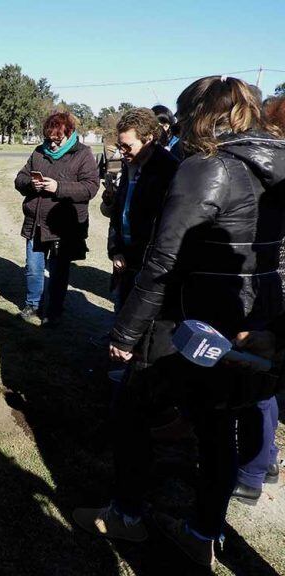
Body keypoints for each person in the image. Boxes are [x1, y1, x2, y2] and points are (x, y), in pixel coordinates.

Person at [73, 76, 285, 568]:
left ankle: (127, 513)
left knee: (130, 410)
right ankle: (203, 531)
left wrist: (125, 334)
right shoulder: (277, 165)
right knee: (218, 428)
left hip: (193, 323)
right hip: (254, 322)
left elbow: (162, 262)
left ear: (200, 115)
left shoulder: (206, 168)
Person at [231, 94, 285, 505]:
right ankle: (265, 459)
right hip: (268, 286)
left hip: (270, 290)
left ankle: (252, 470)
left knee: (257, 382)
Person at [14, 111, 99, 327]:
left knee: (59, 270)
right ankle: (32, 304)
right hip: (36, 222)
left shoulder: (83, 154)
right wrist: (29, 184)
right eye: (49, 139)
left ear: (69, 133)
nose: (52, 144)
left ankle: (54, 309)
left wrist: (58, 188)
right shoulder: (38, 152)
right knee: (33, 267)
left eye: (57, 139)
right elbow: (20, 178)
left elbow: (90, 187)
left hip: (64, 225)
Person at [107, 108, 179, 312]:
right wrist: (116, 250)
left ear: (148, 139)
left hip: (151, 263)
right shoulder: (128, 164)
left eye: (127, 146)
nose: (122, 151)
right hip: (125, 259)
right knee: (121, 310)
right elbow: (118, 214)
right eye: (119, 145)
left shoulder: (170, 170)